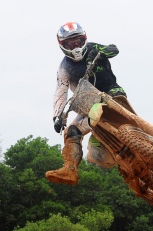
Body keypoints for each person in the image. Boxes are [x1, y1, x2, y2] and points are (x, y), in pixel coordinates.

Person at [45, 21, 127, 186]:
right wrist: (57, 116)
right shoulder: (64, 68)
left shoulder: (93, 48)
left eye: (78, 40)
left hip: (113, 94)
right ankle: (70, 169)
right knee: (71, 132)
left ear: (84, 39)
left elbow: (113, 49)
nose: (75, 45)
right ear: (63, 45)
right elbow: (61, 91)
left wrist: (105, 50)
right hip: (88, 104)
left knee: (106, 111)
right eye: (71, 42)